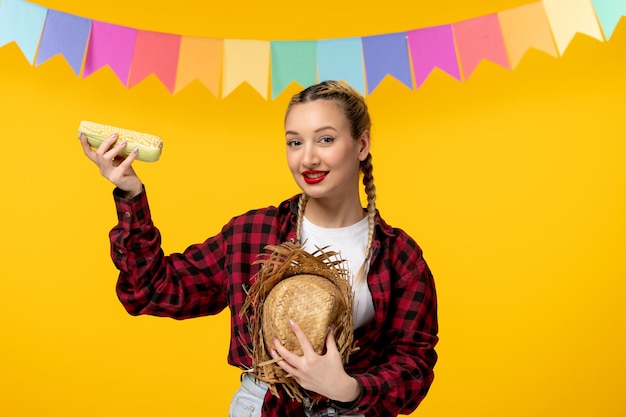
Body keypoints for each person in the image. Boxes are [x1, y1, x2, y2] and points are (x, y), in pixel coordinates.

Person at [79, 80, 439, 417]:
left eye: (325, 140)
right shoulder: (253, 234)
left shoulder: (398, 256)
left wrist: (348, 388)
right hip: (261, 406)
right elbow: (152, 291)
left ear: (361, 144)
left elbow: (414, 364)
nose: (308, 159)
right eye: (295, 142)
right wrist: (130, 193)